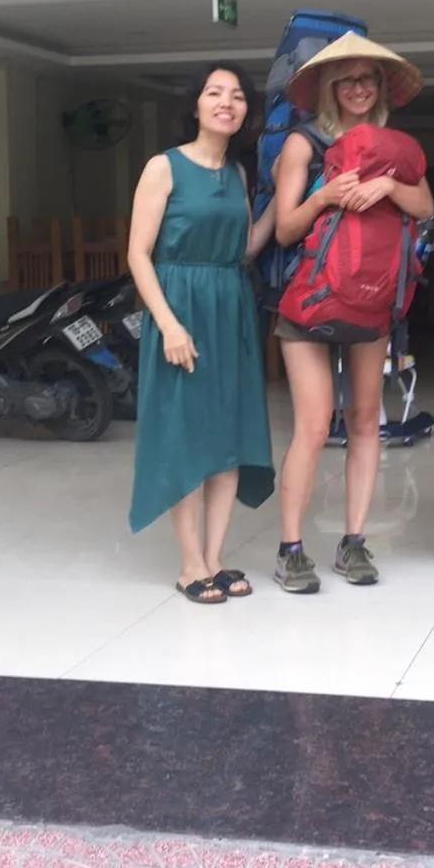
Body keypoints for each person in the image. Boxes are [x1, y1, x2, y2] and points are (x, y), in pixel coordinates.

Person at [271, 33, 434, 594]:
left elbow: (427, 207)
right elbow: (286, 227)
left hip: (372, 297)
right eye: (348, 80)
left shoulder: (395, 148)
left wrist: (390, 182)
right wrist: (325, 196)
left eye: (369, 79)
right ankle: (291, 549)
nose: (360, 88)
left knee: (367, 421)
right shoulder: (304, 144)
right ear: (329, 89)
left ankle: (354, 542)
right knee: (315, 426)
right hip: (309, 297)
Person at [127, 64, 277, 605]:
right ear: (195, 106)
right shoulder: (162, 168)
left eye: (237, 96)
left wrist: (289, 197)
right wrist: (167, 323)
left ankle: (216, 557)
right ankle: (189, 563)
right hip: (180, 308)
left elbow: (241, 251)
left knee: (228, 436)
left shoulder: (238, 175)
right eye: (215, 93)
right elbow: (137, 255)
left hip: (229, 305)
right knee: (184, 434)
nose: (226, 103)